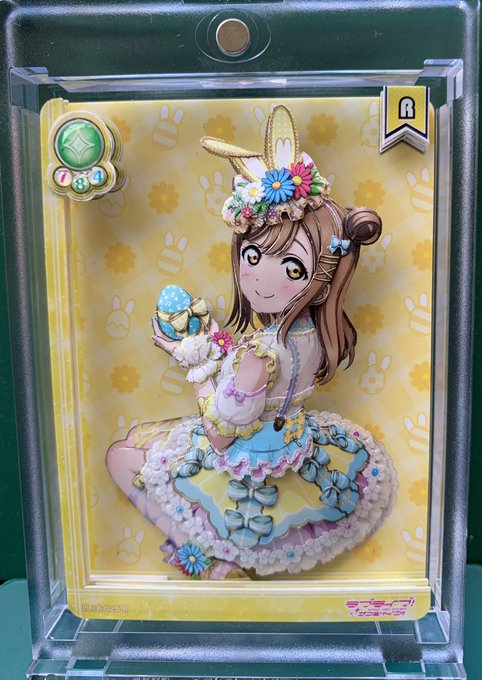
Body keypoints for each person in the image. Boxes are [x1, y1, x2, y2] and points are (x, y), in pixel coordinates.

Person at [106, 105, 397, 579]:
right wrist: (213, 353)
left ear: (321, 279)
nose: (258, 276)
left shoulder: (260, 355)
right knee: (144, 440)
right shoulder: (316, 334)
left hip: (242, 456)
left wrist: (194, 364)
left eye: (291, 267)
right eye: (253, 255)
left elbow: (220, 433)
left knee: (122, 456)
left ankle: (205, 559)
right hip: (290, 437)